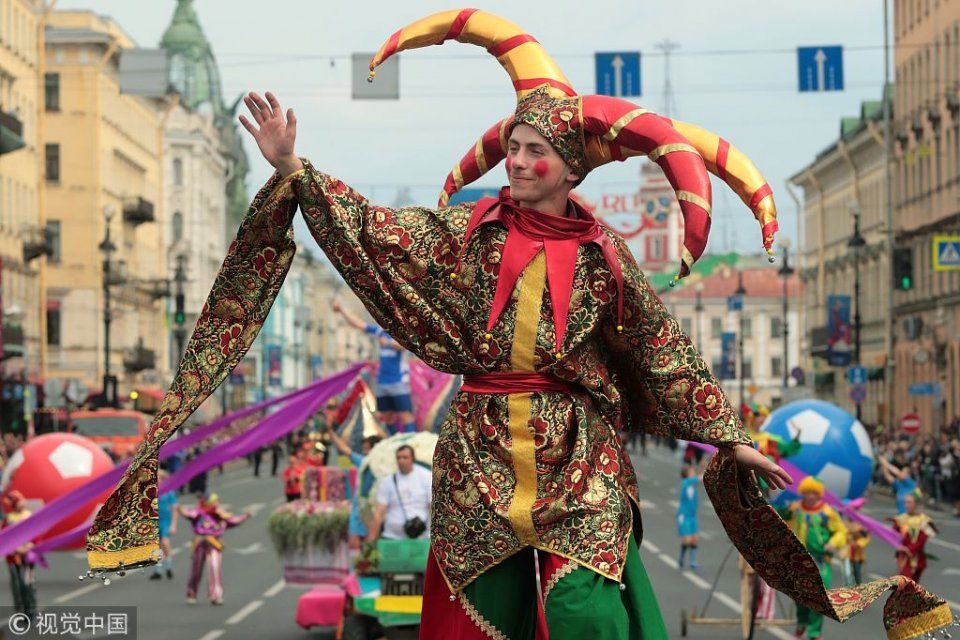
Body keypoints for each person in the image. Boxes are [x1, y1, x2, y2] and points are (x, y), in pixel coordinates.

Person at [87, 9, 954, 639]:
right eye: (515, 149)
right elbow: (374, 230)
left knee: (580, 609)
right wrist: (295, 169)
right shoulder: (467, 232)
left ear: (571, 168)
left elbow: (664, 353)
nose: (523, 161)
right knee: (484, 618)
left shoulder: (608, 257)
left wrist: (728, 436)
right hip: (479, 454)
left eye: (539, 153)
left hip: (577, 453)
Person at [332, 300, 415, 434]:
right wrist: (342, 310)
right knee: (387, 416)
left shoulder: (402, 332)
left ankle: (410, 441)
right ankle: (393, 440)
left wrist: (387, 343)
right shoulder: (380, 331)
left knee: (405, 414)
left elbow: (406, 345)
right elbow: (359, 325)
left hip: (399, 381)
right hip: (383, 381)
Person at [781, 477, 847, 640]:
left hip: (820, 560)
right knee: (800, 595)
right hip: (799, 559)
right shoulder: (795, 509)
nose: (810, 496)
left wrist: (833, 542)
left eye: (813, 493)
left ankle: (814, 633)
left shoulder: (827, 512)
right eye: (807, 492)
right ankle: (802, 621)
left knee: (819, 597)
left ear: (819, 494)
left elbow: (841, 531)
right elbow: (780, 516)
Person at [181, 494, 250, 605]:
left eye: (216, 501)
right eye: (214, 501)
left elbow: (233, 520)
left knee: (214, 568)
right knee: (196, 570)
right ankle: (191, 593)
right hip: (200, 543)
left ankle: (216, 596)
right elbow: (186, 513)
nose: (216, 503)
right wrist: (179, 508)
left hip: (214, 544)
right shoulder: (198, 513)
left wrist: (245, 516)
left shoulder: (220, 515)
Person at [326, 426, 383, 550]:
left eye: (366, 449)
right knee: (355, 547)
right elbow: (344, 449)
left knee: (371, 547)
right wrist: (330, 432)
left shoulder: (383, 467)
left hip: (372, 510)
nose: (364, 452)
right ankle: (358, 568)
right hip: (358, 509)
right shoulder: (363, 461)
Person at [366, 445, 432, 543]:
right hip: (392, 537)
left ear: (412, 459)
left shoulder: (427, 477)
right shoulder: (387, 482)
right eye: (398, 458)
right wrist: (370, 543)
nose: (401, 461)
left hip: (421, 538)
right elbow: (378, 513)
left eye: (405, 457)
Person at [2, 491, 37, 619]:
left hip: (28, 556)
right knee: (17, 585)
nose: (23, 503)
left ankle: (31, 612)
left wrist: (31, 545)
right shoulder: (9, 519)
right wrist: (16, 548)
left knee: (29, 583)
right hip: (14, 557)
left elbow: (37, 535)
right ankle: (20, 613)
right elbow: (5, 537)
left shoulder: (29, 516)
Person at [892, 489, 937, 583]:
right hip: (904, 558)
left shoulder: (924, 520)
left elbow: (921, 540)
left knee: (914, 588)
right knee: (905, 585)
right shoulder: (900, 519)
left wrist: (908, 549)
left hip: (918, 558)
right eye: (905, 502)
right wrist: (899, 546)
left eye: (909, 502)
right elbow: (893, 535)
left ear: (916, 503)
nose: (906, 505)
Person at [150, 469, 178, 580]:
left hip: (166, 521)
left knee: (165, 542)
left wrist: (173, 525)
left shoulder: (169, 492)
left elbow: (175, 509)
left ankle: (169, 567)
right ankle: (158, 570)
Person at [676, 464, 701, 570]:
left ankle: (693, 562)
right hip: (684, 515)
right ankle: (681, 558)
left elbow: (699, 477)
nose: (693, 473)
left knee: (694, 539)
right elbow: (701, 477)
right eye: (691, 472)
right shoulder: (686, 482)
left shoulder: (692, 485)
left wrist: (702, 465)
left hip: (692, 516)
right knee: (687, 540)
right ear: (686, 475)